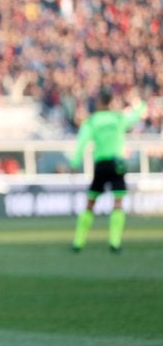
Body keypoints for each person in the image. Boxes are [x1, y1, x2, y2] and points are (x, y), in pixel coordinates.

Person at [70, 87, 147, 253]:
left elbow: (81, 142)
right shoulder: (118, 118)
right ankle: (115, 243)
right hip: (117, 164)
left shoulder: (92, 121)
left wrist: (75, 162)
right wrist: (140, 104)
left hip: (101, 164)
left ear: (98, 102)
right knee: (118, 203)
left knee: (90, 203)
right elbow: (135, 115)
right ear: (111, 102)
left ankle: (78, 242)